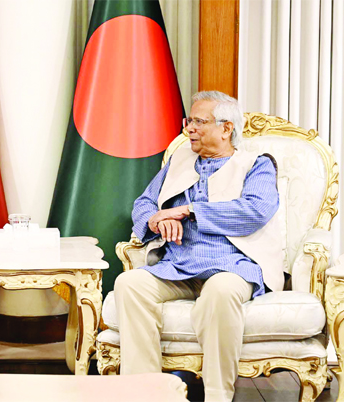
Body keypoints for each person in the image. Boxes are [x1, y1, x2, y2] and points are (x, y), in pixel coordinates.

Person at [114, 91, 283, 401]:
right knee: (129, 284)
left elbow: (255, 211)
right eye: (189, 121)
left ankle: (217, 396)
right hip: (178, 264)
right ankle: (146, 393)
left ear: (226, 128)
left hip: (231, 265)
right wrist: (157, 220)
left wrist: (188, 211)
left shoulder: (256, 164)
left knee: (220, 292)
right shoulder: (180, 160)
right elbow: (144, 203)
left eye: (199, 122)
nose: (189, 128)